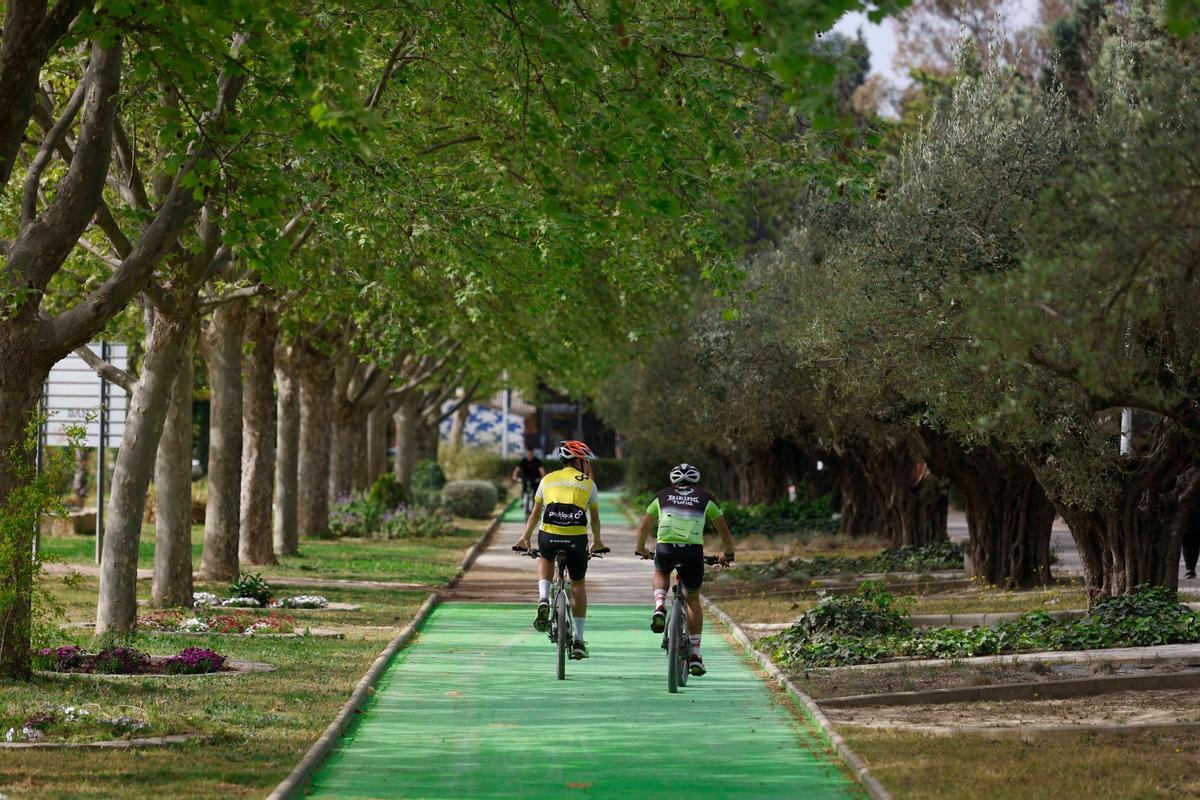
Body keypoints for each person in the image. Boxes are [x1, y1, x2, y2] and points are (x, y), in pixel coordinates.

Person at [634, 463, 734, 677]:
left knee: (661, 573)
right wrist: (728, 553)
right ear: (696, 482)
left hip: (666, 548)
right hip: (692, 552)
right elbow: (723, 530)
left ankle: (659, 606)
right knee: (693, 599)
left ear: (673, 481)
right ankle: (695, 654)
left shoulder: (662, 496)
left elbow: (643, 527)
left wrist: (641, 549)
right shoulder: (706, 498)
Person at [513, 440, 606, 659]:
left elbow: (535, 514)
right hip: (576, 540)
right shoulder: (589, 484)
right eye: (586, 461)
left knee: (546, 558)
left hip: (549, 537)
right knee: (578, 584)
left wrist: (524, 538)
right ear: (577, 461)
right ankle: (579, 641)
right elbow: (595, 520)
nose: (588, 465)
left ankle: (543, 598)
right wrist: (597, 542)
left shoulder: (547, 479)